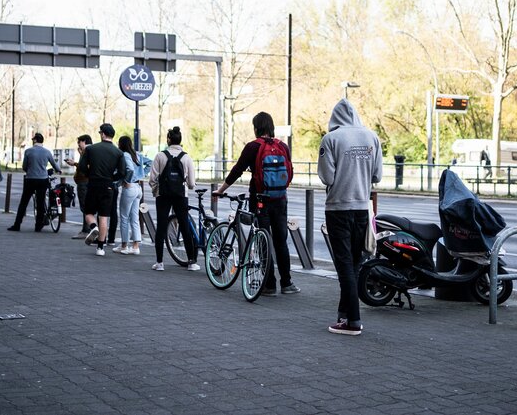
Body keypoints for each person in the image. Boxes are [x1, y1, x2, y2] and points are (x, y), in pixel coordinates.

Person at [213, 113, 299, 295]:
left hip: (260, 199)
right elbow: (290, 172)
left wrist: (220, 190)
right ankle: (287, 283)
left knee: (262, 239)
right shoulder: (283, 146)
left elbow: (237, 170)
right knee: (280, 241)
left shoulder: (253, 146)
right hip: (280, 199)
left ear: (256, 128)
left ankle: (269, 285)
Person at [318, 99, 383, 335]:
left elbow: (327, 177)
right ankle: (344, 315)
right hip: (362, 208)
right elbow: (377, 175)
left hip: (337, 207)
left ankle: (353, 321)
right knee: (354, 263)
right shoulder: (372, 137)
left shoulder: (331, 139)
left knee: (344, 264)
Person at [149, 127, 198, 271]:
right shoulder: (186, 157)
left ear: (168, 139)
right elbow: (191, 184)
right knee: (184, 226)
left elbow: (152, 179)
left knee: (162, 227)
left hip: (163, 195)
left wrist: (156, 191)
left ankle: (159, 263)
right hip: (181, 196)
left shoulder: (160, 156)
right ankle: (191, 262)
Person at [80, 123, 126, 256]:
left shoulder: (91, 149)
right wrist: (111, 178)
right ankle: (100, 248)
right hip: (108, 186)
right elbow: (122, 172)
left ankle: (94, 228)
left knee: (88, 212)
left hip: (94, 184)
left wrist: (90, 174)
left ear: (103, 134)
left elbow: (82, 167)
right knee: (104, 217)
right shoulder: (118, 152)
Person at [8, 133, 61, 232]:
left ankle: (17, 225)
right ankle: (38, 226)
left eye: (33, 139)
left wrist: (29, 170)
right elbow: (54, 164)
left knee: (24, 202)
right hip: (43, 180)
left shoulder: (28, 151)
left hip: (30, 180)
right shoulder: (47, 152)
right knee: (41, 203)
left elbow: (24, 166)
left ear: (35, 140)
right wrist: (59, 170)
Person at [115, 136, 151, 255]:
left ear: (121, 144)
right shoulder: (137, 154)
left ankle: (124, 245)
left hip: (130, 188)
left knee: (124, 217)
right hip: (138, 188)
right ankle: (136, 246)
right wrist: (141, 175)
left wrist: (127, 180)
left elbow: (129, 169)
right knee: (134, 217)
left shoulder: (125, 155)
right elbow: (150, 162)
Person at [66, 134, 93, 239]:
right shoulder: (89, 151)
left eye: (79, 142)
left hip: (84, 183)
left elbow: (85, 167)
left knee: (85, 206)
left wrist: (74, 164)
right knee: (87, 207)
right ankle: (89, 228)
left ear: (84, 142)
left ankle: (86, 230)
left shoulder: (87, 151)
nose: (78, 144)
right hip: (86, 182)